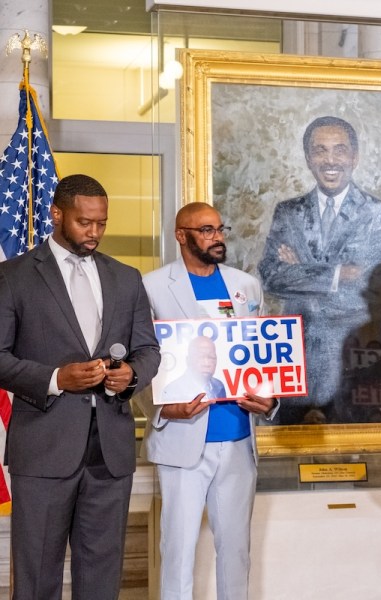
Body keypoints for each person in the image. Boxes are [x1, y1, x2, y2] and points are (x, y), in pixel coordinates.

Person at [0, 174, 161, 600]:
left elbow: (148, 350)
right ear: (56, 214)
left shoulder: (126, 278)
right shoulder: (13, 276)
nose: (94, 232)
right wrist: (56, 379)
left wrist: (131, 375)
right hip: (44, 449)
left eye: (101, 223)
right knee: (36, 578)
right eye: (84, 222)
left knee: (102, 577)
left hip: (110, 452)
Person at [138, 202, 277, 600]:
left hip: (237, 439)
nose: (217, 237)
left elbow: (261, 354)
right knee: (177, 551)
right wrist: (163, 409)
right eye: (206, 230)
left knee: (236, 552)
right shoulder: (152, 286)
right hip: (182, 438)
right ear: (181, 235)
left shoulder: (245, 286)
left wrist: (269, 401)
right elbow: (142, 363)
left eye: (219, 229)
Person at [258, 115, 381, 423]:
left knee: (358, 462)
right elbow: (270, 275)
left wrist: (301, 270)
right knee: (292, 463)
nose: (330, 160)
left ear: (355, 156)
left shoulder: (378, 214)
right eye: (320, 150)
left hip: (357, 363)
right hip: (296, 363)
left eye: (339, 149)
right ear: (308, 158)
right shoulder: (288, 212)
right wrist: (337, 274)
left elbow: (375, 282)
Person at [161, 335, 225, 404]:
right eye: (200, 357)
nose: (206, 364)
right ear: (188, 360)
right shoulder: (171, 390)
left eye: (211, 357)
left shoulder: (219, 386)